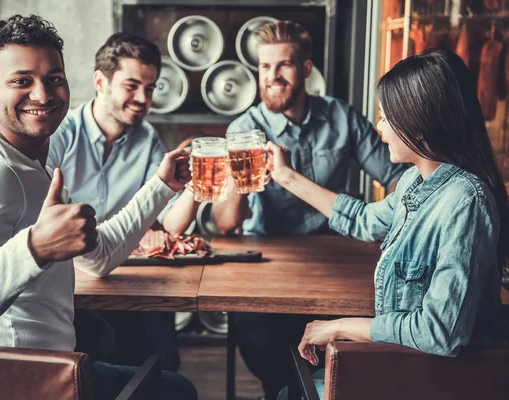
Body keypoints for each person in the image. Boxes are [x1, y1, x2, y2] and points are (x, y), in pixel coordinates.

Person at [0, 14, 197, 400]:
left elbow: (99, 257)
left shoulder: (32, 167)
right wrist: (37, 247)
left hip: (48, 367)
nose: (43, 94)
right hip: (9, 381)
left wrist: (161, 186)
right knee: (176, 391)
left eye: (54, 78)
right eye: (22, 81)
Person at [273, 48, 509, 399]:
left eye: (386, 117)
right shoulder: (417, 182)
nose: (380, 128)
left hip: (436, 382)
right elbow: (364, 220)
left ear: (418, 122)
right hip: (407, 368)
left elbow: (438, 332)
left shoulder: (464, 201)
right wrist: (286, 177)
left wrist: (340, 326)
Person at [208, 20, 406, 399]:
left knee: (359, 338)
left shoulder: (341, 117)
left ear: (306, 69)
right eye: (265, 67)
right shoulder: (244, 129)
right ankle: (285, 391)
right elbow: (227, 223)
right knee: (260, 343)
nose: (272, 77)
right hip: (271, 260)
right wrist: (239, 176)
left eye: (283, 65)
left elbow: (395, 174)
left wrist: (395, 219)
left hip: (338, 254)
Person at [47, 32, 198, 372]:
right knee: (96, 353)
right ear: (100, 81)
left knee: (163, 362)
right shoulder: (60, 133)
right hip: (68, 278)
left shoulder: (146, 138)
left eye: (150, 88)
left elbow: (172, 224)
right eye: (131, 86)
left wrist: (197, 185)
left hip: (123, 274)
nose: (142, 98)